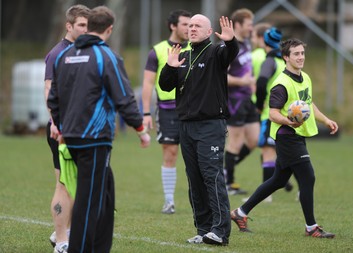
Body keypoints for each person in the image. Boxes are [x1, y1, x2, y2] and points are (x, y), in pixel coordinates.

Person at [47, 6, 151, 253]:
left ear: (88, 26)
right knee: (88, 200)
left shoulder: (65, 55)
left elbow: (53, 98)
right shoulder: (107, 57)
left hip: (70, 137)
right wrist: (140, 129)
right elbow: (124, 97)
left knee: (105, 190)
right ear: (109, 29)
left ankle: (99, 247)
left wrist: (59, 126)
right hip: (94, 139)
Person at [231, 38, 338, 239]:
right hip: (287, 136)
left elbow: (308, 103)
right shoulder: (281, 84)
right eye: (296, 54)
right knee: (308, 176)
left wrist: (326, 120)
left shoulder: (305, 77)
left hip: (297, 134)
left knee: (278, 180)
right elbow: (273, 113)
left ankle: (240, 213)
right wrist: (289, 121)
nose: (300, 57)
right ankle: (311, 227)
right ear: (286, 57)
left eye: (302, 53)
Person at [159, 14, 239, 246]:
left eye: (197, 26)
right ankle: (203, 229)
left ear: (208, 31)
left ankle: (220, 231)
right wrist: (169, 67)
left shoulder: (215, 53)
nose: (192, 29)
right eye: (190, 25)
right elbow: (165, 86)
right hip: (186, 127)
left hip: (210, 126)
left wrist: (231, 41)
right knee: (194, 179)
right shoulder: (182, 55)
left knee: (211, 176)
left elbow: (230, 53)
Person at [43, 4, 90, 253]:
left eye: (88, 25)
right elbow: (49, 91)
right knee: (64, 184)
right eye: (81, 25)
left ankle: (63, 232)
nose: (85, 29)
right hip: (63, 130)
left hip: (85, 130)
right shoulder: (58, 53)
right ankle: (61, 241)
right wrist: (56, 124)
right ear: (69, 26)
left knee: (78, 185)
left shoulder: (86, 51)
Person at [141, 9, 191, 214]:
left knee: (195, 156)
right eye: (185, 24)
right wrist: (145, 113)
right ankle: (169, 201)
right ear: (173, 26)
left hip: (193, 109)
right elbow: (148, 83)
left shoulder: (197, 49)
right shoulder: (158, 50)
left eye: (192, 25)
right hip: (168, 109)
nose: (189, 28)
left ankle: (201, 199)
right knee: (170, 153)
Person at [253, 27, 293, 203]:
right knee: (292, 155)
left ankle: (266, 195)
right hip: (288, 113)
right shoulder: (285, 60)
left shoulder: (270, 61)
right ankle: (300, 189)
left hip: (272, 114)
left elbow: (261, 82)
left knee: (268, 152)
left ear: (265, 41)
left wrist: (259, 104)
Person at [224, 8, 259, 195]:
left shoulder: (246, 43)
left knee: (254, 139)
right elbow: (221, 76)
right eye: (249, 25)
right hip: (234, 100)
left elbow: (247, 69)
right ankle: (228, 182)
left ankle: (225, 170)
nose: (251, 28)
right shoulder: (229, 47)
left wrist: (251, 84)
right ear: (237, 25)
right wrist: (242, 81)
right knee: (235, 142)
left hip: (248, 99)